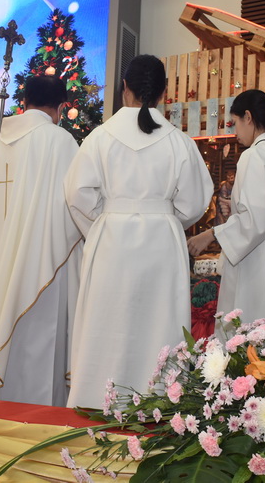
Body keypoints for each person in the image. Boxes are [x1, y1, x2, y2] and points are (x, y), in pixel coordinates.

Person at [64, 55, 213, 409]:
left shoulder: (99, 138)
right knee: (158, 323)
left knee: (107, 320)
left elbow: (76, 194)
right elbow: (195, 201)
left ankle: (95, 399)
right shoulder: (179, 142)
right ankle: (159, 403)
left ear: (124, 88)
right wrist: (166, 218)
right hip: (162, 242)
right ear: (163, 93)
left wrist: (103, 223)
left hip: (111, 240)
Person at [0, 76, 82, 406]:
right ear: (60, 108)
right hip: (40, 265)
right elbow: (74, 205)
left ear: (24, 102)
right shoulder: (59, 140)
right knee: (37, 343)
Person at [188, 89, 265, 323]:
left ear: (248, 117)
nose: (234, 131)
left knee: (248, 332)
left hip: (255, 259)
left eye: (235, 122)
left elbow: (254, 221)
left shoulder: (254, 155)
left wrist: (212, 233)